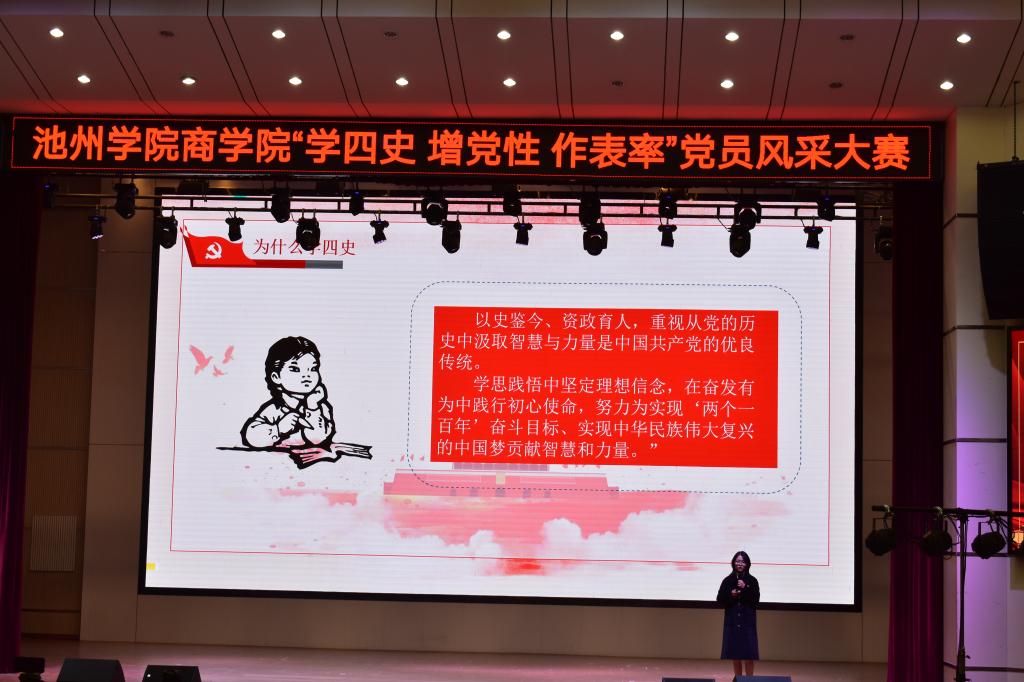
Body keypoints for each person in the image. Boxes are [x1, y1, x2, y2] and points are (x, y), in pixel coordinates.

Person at [242, 336, 335, 448]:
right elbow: (251, 437)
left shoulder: (321, 407)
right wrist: (278, 428)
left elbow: (318, 439)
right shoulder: (275, 409)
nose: (307, 375)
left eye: (313, 369)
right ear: (276, 377)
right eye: (295, 369)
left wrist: (312, 407)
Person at [717, 550, 760, 677]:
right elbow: (720, 599)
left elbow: (756, 600)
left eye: (743, 561)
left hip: (747, 622)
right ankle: (739, 679)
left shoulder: (752, 581)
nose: (740, 564)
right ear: (733, 563)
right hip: (733, 621)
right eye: (737, 561)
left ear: (747, 564)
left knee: (749, 655)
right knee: (735, 655)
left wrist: (745, 588)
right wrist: (731, 594)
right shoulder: (727, 580)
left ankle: (749, 680)